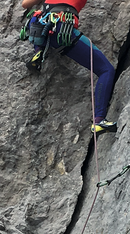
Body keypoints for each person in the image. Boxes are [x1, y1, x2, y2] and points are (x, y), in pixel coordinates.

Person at [20, 0, 118, 135]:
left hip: (40, 24)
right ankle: (99, 120)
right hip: (62, 27)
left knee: (42, 22)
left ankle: (39, 51)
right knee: (106, 70)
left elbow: (25, 4)